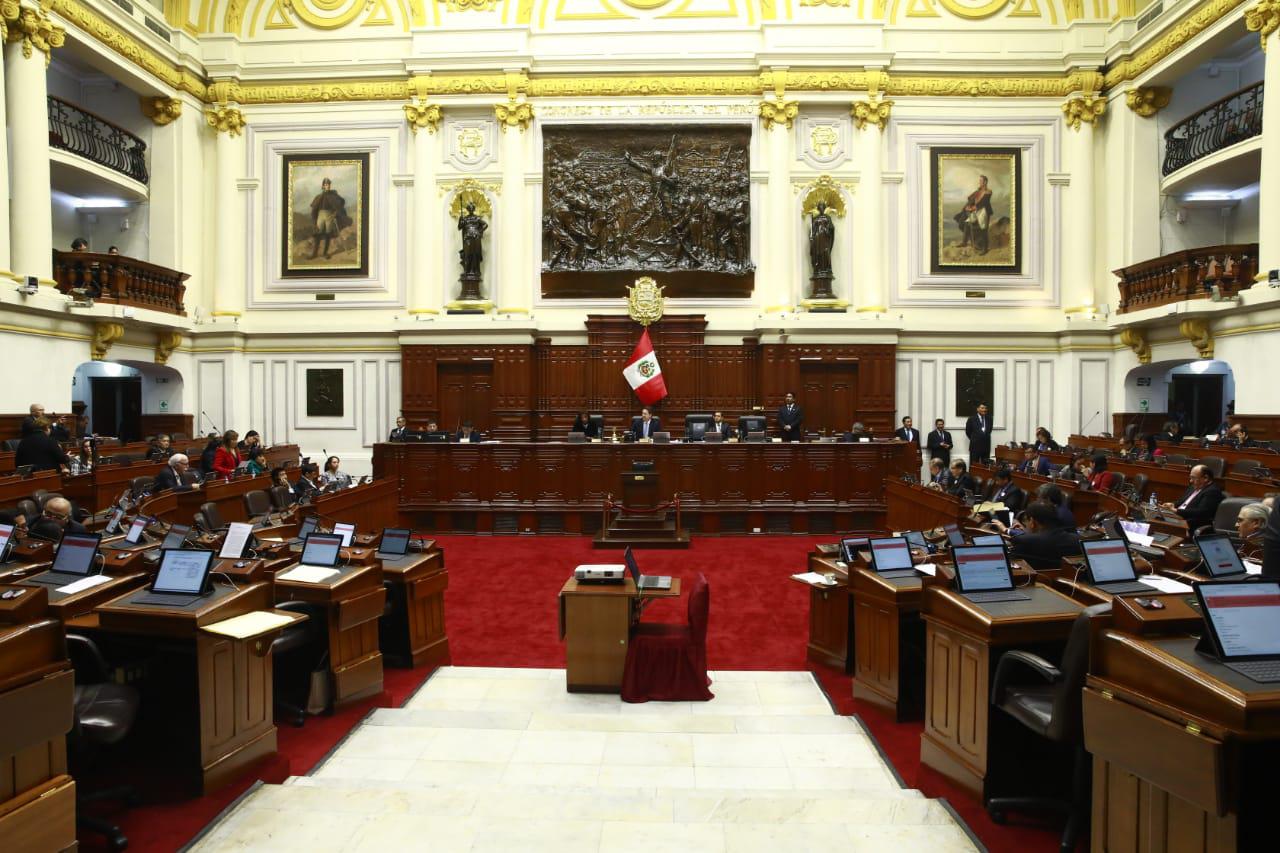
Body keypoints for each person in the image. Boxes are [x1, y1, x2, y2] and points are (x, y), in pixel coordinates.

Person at [1008, 501, 1083, 570]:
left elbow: (1012, 567)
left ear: (1032, 521)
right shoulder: (1078, 540)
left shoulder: (1023, 541)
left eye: (1026, 521)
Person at [1162, 464, 1224, 530]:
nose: (1190, 481)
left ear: (1205, 478)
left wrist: (1177, 511)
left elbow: (1201, 512)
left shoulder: (1212, 491)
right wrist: (1173, 504)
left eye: (1193, 478)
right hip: (1178, 517)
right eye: (1190, 478)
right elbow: (1182, 502)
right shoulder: (1194, 486)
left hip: (1189, 523)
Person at [309, 177, 350, 259]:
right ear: (323, 186)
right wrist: (314, 221)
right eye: (326, 185)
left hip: (330, 216)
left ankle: (325, 253)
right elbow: (314, 209)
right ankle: (314, 254)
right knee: (318, 234)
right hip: (320, 216)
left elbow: (342, 202)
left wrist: (335, 213)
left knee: (328, 234)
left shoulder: (333, 195)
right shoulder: (319, 196)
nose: (328, 186)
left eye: (329, 184)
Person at [955, 174, 994, 254]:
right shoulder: (978, 191)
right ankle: (964, 242)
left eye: (981, 181)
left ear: (985, 182)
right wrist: (968, 207)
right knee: (966, 223)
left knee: (983, 229)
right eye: (979, 180)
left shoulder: (988, 191)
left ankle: (985, 249)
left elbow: (984, 202)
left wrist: (972, 208)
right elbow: (972, 199)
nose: (979, 182)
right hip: (976, 211)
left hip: (984, 212)